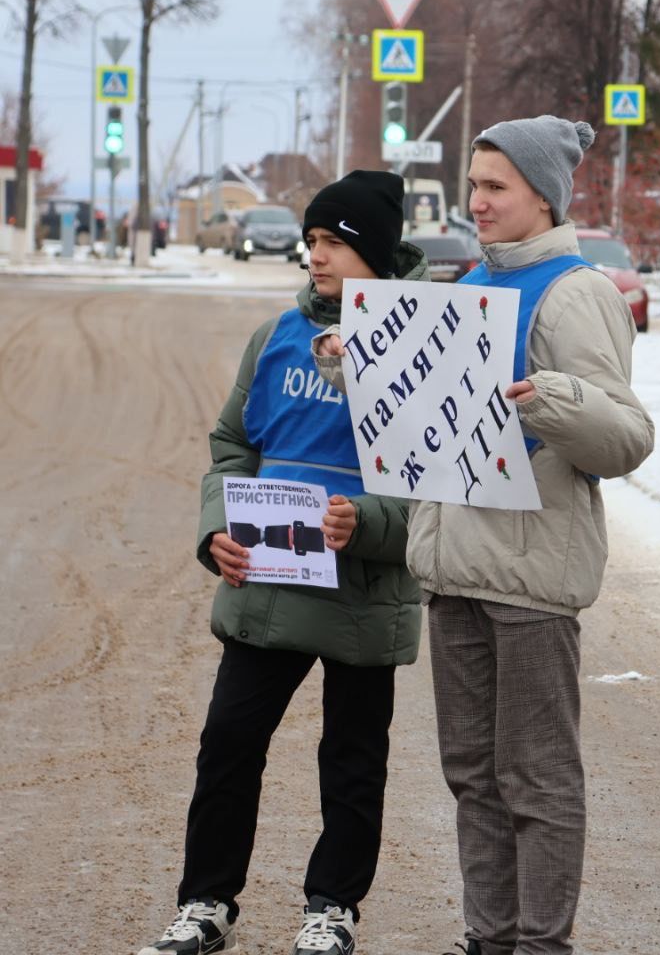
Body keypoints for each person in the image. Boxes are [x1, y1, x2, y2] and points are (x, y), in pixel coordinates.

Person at [318, 116, 654, 955]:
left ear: (544, 195)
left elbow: (625, 440)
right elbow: (429, 412)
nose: (478, 200)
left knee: (536, 780)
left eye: (496, 186)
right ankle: (489, 937)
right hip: (456, 566)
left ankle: (542, 945)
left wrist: (546, 399)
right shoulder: (470, 282)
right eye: (474, 184)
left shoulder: (578, 292)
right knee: (471, 776)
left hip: (533, 575)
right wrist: (356, 361)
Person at [137, 170, 426, 955]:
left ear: (373, 252)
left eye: (334, 242)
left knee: (353, 761)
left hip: (363, 588)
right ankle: (205, 905)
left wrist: (364, 522)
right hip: (267, 582)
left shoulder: (422, 347)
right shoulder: (276, 338)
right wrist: (216, 531)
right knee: (229, 743)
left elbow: (443, 490)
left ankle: (331, 909)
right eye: (313, 241)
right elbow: (233, 445)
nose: (316, 255)